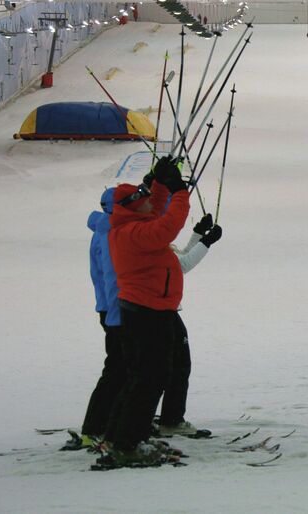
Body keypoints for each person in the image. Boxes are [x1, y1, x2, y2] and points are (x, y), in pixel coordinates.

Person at [98, 156, 190, 468]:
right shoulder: (133, 233)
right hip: (148, 312)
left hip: (147, 310)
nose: (149, 202)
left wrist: (159, 182)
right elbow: (170, 225)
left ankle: (119, 435)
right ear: (131, 208)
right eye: (142, 199)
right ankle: (127, 442)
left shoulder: (131, 223)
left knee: (142, 377)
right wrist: (179, 190)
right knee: (150, 379)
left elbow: (156, 207)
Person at [157, 214, 222, 436]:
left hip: (163, 309)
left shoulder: (148, 239)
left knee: (170, 366)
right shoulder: (149, 242)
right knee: (176, 365)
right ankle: (170, 419)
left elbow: (179, 259)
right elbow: (182, 264)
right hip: (161, 311)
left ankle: (167, 417)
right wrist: (206, 242)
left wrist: (198, 233)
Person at [79, 188, 124, 448]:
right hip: (114, 310)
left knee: (120, 368)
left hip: (110, 308)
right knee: (117, 369)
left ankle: (106, 422)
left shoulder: (106, 229)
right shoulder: (108, 233)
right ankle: (96, 425)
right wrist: (119, 314)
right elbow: (111, 278)